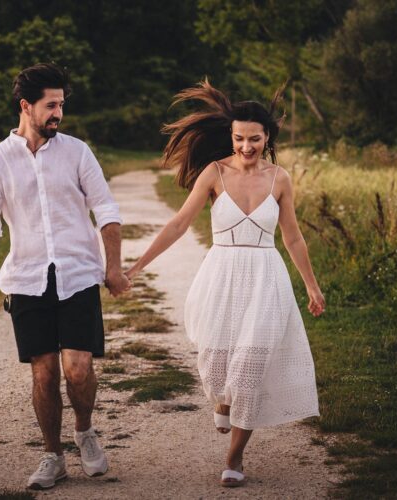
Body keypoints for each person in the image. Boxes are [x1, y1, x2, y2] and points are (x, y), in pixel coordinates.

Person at [126, 80, 324, 487]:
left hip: (266, 280)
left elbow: (292, 237)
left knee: (251, 367)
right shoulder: (214, 173)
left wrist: (311, 285)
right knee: (216, 363)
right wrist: (136, 268)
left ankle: (234, 458)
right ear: (230, 136)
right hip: (222, 276)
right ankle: (223, 398)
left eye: (254, 139)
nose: (246, 147)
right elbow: (180, 223)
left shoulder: (280, 178)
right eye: (239, 138)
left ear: (267, 137)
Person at [0, 63, 131, 491]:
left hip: (78, 275)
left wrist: (112, 269)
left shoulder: (78, 152)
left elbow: (107, 212)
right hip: (26, 280)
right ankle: (53, 455)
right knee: (43, 373)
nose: (58, 112)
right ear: (26, 106)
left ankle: (84, 431)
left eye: (61, 104)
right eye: (51, 105)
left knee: (78, 369)